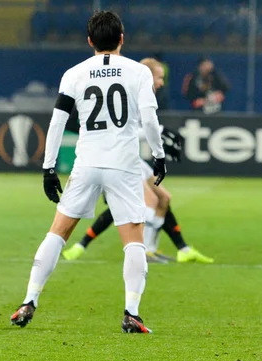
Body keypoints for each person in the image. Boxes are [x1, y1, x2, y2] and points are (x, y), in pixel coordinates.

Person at [10, 11, 166, 334]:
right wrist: (160, 155)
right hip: (123, 165)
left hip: (87, 163)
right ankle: (131, 313)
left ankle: (29, 300)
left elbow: (57, 122)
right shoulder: (139, 73)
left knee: (58, 232)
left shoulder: (74, 74)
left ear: (90, 41)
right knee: (133, 240)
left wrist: (48, 167)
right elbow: (150, 119)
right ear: (122, 38)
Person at [63, 58, 214, 265]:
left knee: (162, 199)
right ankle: (137, 251)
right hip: (115, 161)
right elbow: (123, 131)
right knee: (145, 203)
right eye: (159, 77)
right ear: (147, 75)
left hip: (130, 158)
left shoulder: (142, 94)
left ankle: (155, 249)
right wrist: (158, 136)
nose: (162, 82)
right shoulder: (129, 94)